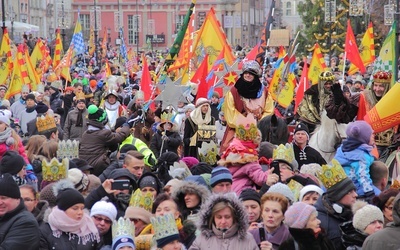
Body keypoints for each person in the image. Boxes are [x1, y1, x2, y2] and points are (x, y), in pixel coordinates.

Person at [326, 71, 396, 154]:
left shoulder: (394, 99)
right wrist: (339, 101)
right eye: (375, 85)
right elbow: (345, 116)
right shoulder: (362, 97)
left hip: (391, 146)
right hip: (363, 145)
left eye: (381, 86)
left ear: (387, 87)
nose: (377, 89)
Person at [221, 60, 274, 153]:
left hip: (258, 130)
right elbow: (230, 113)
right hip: (237, 129)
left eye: (251, 73)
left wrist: (259, 124)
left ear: (256, 76)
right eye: (246, 73)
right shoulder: (234, 91)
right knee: (229, 150)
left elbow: (269, 111)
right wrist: (246, 125)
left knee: (265, 151)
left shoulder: (264, 92)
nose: (248, 75)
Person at [39, 181, 100, 249]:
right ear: (63, 209)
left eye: (82, 208)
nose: (80, 212)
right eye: (75, 208)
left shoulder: (89, 227)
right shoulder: (47, 230)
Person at [189, 192, 258, 250]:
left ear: (234, 217)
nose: (223, 221)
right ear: (213, 218)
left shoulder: (247, 239)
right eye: (219, 217)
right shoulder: (202, 238)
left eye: (227, 217)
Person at [315, 160, 357, 250]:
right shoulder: (319, 220)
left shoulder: (354, 214)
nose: (355, 195)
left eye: (354, 190)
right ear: (338, 195)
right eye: (350, 192)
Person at [79, 104, 131, 176]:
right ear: (103, 121)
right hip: (97, 166)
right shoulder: (103, 133)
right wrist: (126, 126)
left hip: (85, 165)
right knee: (115, 164)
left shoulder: (86, 133)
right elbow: (120, 137)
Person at [334, 121, 375, 201]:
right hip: (358, 191)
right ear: (364, 138)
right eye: (371, 134)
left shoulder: (341, 150)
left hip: (342, 189)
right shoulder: (362, 156)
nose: (373, 136)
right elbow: (362, 175)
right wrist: (370, 193)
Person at [0, 173, 40, 249]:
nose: (0, 202)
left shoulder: (26, 223)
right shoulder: (4, 217)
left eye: (4, 198)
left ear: (17, 199)